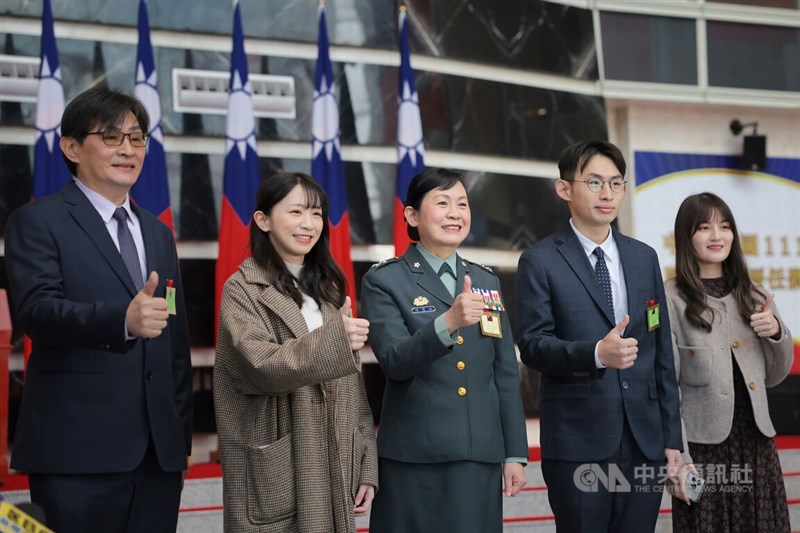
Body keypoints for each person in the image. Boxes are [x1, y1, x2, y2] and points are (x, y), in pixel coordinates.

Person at [4, 85, 192, 532]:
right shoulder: (37, 221)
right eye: (111, 137)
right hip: (76, 453)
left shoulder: (158, 232)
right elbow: (37, 311)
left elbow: (175, 342)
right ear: (71, 147)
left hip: (157, 458)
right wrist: (121, 320)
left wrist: (178, 432)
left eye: (137, 137)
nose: (128, 149)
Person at [515, 140, 689, 532]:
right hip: (579, 441)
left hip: (644, 441)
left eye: (615, 183)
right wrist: (595, 353)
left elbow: (661, 352)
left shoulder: (644, 257)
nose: (607, 193)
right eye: (594, 182)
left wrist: (671, 438)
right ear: (565, 189)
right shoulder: (540, 260)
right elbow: (533, 346)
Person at [361, 168, 528, 533]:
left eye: (462, 204)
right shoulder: (385, 280)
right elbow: (394, 361)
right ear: (411, 216)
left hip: (478, 453)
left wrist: (515, 451)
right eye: (442, 203)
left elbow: (503, 370)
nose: (455, 213)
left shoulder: (485, 280)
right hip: (413, 456)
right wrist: (447, 323)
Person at [214, 172, 378, 532]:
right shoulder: (242, 290)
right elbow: (263, 365)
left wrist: (367, 461)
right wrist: (335, 340)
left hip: (335, 463)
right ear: (263, 220)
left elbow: (353, 387)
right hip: (278, 468)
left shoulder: (328, 291)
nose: (309, 224)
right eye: (297, 212)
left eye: (317, 214)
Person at [667, 192, 793, 532]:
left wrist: (777, 332)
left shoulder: (753, 295)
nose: (716, 236)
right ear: (686, 236)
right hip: (701, 451)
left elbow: (776, 375)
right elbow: (667, 387)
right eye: (704, 227)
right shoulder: (672, 299)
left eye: (724, 227)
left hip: (756, 445)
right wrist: (681, 459)